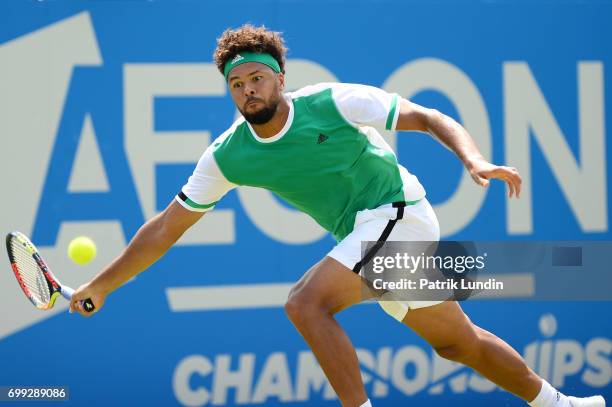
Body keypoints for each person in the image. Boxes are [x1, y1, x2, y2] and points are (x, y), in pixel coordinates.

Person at [70, 25, 605, 407]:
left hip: (400, 214)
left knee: (305, 302)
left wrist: (474, 159)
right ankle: (560, 403)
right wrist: (100, 285)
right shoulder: (228, 154)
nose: (247, 89)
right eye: (237, 84)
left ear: (279, 78)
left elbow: (426, 115)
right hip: (369, 233)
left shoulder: (331, 102)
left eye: (257, 78)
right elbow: (166, 227)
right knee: (456, 343)